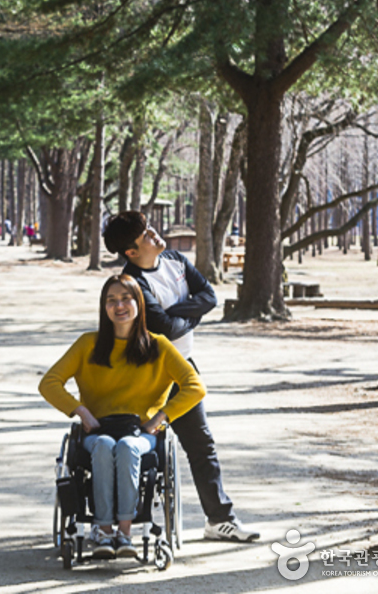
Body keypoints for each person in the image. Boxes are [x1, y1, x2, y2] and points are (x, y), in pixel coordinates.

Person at [103, 211, 260, 543]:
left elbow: (209, 298)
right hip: (147, 375)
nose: (155, 234)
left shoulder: (174, 259)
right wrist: (188, 314)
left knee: (202, 446)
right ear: (131, 252)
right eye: (146, 234)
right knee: (134, 448)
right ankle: (113, 525)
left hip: (183, 368)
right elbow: (164, 327)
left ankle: (219, 520)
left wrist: (177, 315)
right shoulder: (132, 284)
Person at [39, 274, 205, 559]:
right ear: (104, 307)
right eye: (111, 300)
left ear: (139, 302)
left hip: (140, 433)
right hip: (97, 431)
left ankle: (125, 533)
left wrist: (160, 418)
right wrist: (81, 411)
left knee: (127, 447)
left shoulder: (159, 346)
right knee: (105, 446)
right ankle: (103, 531)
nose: (119, 306)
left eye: (126, 298)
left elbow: (195, 387)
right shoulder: (87, 344)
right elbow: (49, 383)